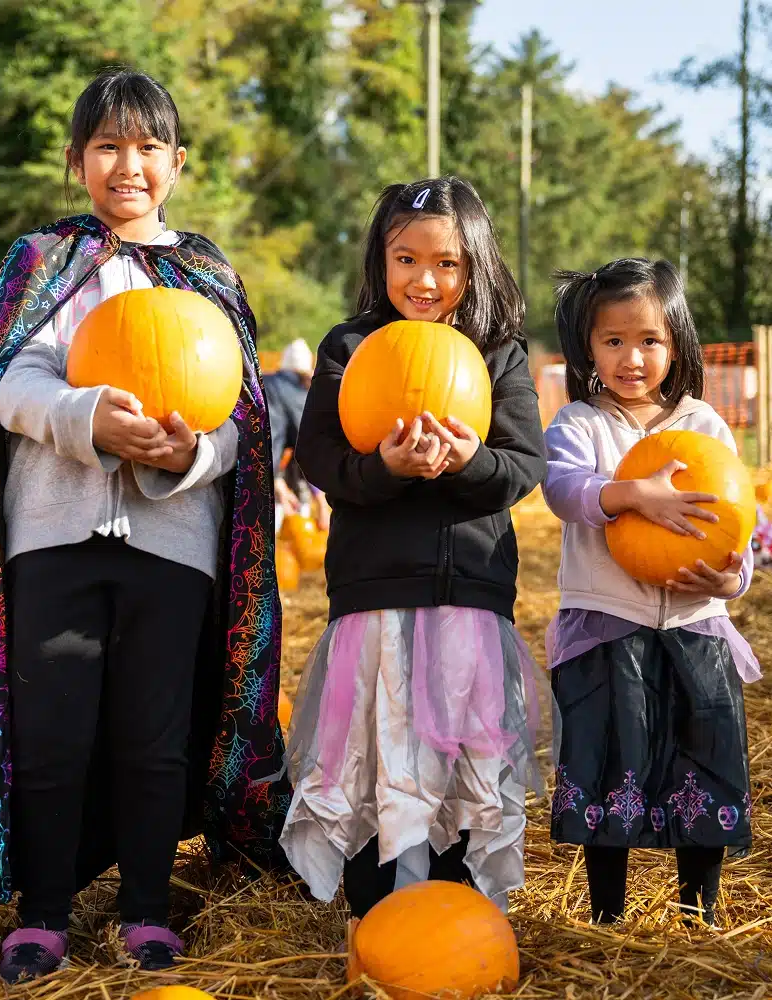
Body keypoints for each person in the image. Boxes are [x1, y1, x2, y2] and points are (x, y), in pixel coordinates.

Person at [0, 68, 290, 984]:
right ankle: (43, 913)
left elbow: (243, 420)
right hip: (54, 539)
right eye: (109, 146)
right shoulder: (43, 264)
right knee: (54, 729)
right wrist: (88, 421)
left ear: (178, 163)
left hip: (173, 546)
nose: (130, 165)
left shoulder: (207, 277)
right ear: (78, 161)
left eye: (150, 147)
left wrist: (187, 456)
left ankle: (146, 912)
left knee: (155, 736)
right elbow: (13, 386)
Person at [278, 177, 551, 926]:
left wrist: (467, 462)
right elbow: (321, 459)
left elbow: (523, 466)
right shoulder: (351, 347)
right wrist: (384, 470)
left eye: (447, 265)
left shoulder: (497, 354)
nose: (425, 281)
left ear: (475, 269)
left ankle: (455, 908)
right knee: (377, 746)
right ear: (381, 260)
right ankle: (378, 906)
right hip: (375, 593)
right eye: (406, 260)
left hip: (468, 594)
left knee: (458, 747)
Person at [543, 258, 760, 926]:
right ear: (589, 349)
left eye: (649, 340)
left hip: (697, 623)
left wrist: (734, 578)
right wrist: (633, 493)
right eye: (613, 341)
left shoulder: (705, 427)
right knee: (614, 765)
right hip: (610, 626)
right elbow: (563, 489)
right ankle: (608, 914)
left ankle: (700, 910)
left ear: (677, 343)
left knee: (705, 759)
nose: (631, 356)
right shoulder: (580, 423)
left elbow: (738, 527)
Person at [264, 339, 331, 532]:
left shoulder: (263, 383)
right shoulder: (297, 394)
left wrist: (278, 484)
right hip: (266, 474)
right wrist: (321, 502)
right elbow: (308, 446)